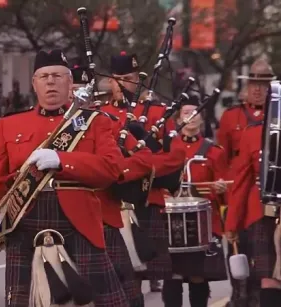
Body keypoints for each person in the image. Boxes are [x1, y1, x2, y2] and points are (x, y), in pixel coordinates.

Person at [0, 49, 129, 307]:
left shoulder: (94, 122)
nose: (51, 82)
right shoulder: (9, 124)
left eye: (57, 76)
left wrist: (62, 160)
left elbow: (113, 169)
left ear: (70, 84)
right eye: (44, 76)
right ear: (34, 83)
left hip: (79, 222)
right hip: (24, 222)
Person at [104, 52, 186, 293]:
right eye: (117, 78)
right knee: (111, 280)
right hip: (107, 203)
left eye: (128, 78)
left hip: (145, 201)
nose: (122, 83)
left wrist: (137, 170)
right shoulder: (98, 114)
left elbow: (176, 157)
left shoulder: (158, 113)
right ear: (110, 80)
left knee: (136, 279)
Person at [71, 64, 152, 307]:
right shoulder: (49, 127)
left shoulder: (109, 122)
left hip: (104, 217)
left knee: (122, 295)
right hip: (62, 223)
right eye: (74, 90)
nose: (78, 97)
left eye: (82, 91)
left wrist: (113, 174)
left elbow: (144, 158)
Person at [162, 96, 229, 307]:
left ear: (202, 118)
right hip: (171, 221)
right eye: (186, 113)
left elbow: (224, 191)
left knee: (198, 276)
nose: (191, 117)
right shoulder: (166, 148)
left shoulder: (213, 151)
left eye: (195, 112)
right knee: (172, 275)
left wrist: (220, 188)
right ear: (177, 119)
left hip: (201, 223)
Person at [224, 88, 276, 307]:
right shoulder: (253, 133)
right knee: (268, 277)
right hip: (262, 214)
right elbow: (241, 182)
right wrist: (232, 223)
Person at [216, 59, 274, 169]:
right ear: (248, 85)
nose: (257, 89)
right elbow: (222, 156)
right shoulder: (231, 116)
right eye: (253, 84)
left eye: (263, 85)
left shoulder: (277, 114)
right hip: (238, 178)